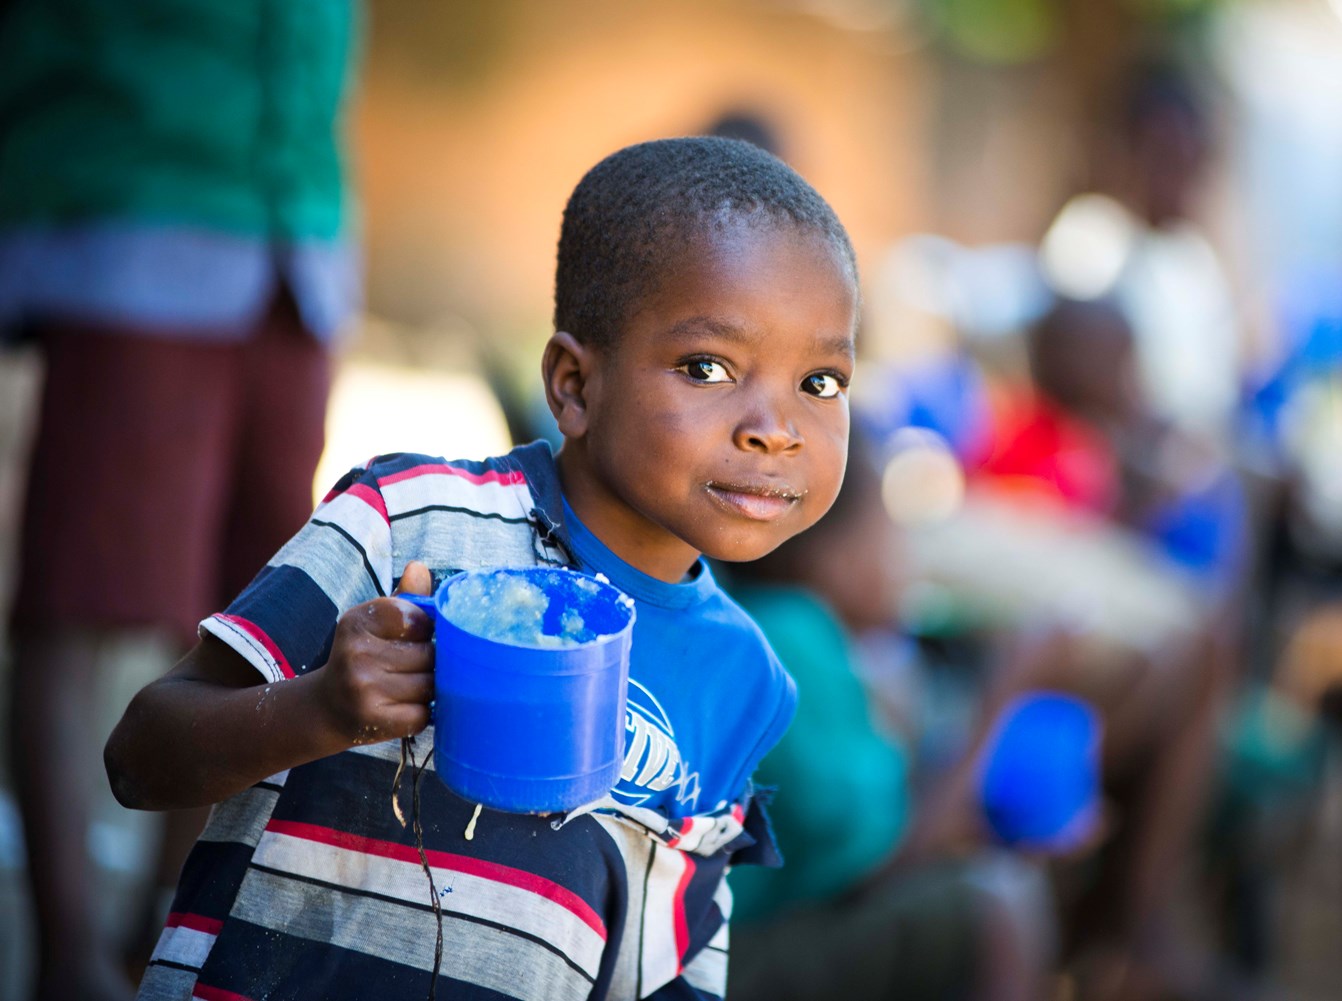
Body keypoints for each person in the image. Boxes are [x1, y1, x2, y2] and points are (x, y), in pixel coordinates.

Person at [103, 136, 857, 1001]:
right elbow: (140, 754)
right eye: (707, 367)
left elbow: (666, 971)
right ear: (573, 384)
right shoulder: (410, 523)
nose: (776, 427)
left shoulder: (745, 684)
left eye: (822, 382)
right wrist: (318, 708)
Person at [0, 3, 359, 999]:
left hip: (302, 235)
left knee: (260, 621)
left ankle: (165, 938)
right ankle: (67, 952)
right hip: (136, 196)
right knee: (77, 606)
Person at [727, 432, 1060, 1001]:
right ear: (835, 561)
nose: (903, 554)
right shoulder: (792, 635)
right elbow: (889, 860)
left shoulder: (792, 630)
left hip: (759, 933)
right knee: (1000, 900)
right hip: (734, 959)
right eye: (887, 531)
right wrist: (1006, 691)